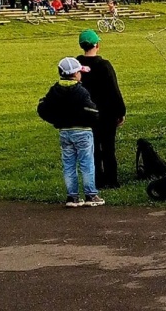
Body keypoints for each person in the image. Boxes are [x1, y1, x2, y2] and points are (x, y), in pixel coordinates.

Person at [37, 56, 103, 207]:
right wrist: (94, 119)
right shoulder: (81, 91)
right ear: (75, 74)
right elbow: (92, 111)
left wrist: (56, 120)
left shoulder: (55, 90)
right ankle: (91, 195)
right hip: (83, 132)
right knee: (87, 163)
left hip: (64, 131)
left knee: (68, 165)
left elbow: (43, 108)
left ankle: (72, 197)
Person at [77, 29, 126, 190]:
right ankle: (111, 180)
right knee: (108, 148)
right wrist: (121, 111)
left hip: (86, 114)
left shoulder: (77, 66)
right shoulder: (104, 65)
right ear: (97, 45)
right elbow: (114, 90)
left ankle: (96, 179)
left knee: (92, 149)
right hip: (106, 113)